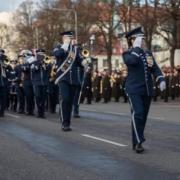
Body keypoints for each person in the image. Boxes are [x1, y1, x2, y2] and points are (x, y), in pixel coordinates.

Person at [122, 27, 166, 153]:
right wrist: (136, 48)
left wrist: (161, 78)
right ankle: (139, 142)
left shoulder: (148, 53)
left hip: (147, 90)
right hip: (133, 89)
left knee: (142, 117)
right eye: (140, 39)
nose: (143, 41)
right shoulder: (127, 53)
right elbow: (132, 61)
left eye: (143, 39)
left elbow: (155, 68)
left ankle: (136, 141)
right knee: (138, 113)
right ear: (133, 40)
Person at [53, 31, 84, 131]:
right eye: (67, 38)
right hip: (63, 78)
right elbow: (58, 55)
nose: (69, 40)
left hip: (73, 80)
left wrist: (85, 62)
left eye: (70, 38)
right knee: (65, 99)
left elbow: (80, 62)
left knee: (70, 102)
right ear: (63, 39)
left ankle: (67, 123)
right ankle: (64, 123)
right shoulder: (58, 48)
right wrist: (65, 45)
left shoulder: (75, 50)